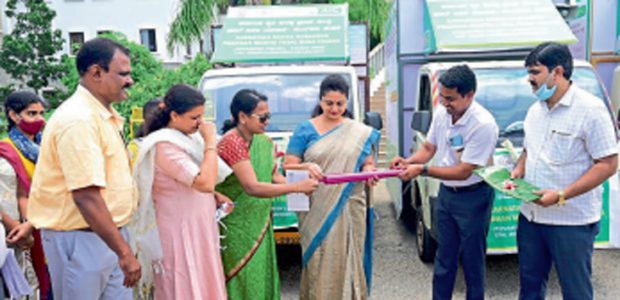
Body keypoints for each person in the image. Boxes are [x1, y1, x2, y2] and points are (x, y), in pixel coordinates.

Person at [11, 37, 141, 299]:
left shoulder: (100, 115)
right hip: (82, 240)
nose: (130, 81)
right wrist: (124, 252)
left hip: (108, 237)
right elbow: (86, 195)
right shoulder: (78, 119)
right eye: (123, 74)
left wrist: (121, 247)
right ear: (96, 73)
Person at [512, 42, 618, 300]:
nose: (530, 79)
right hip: (531, 217)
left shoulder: (590, 110)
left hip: (571, 222)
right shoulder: (535, 111)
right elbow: (529, 149)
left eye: (535, 72)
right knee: (530, 288)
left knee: (575, 291)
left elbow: (608, 163)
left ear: (557, 72)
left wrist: (561, 195)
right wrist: (517, 171)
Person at [391, 65, 499, 300]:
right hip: (447, 195)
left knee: (472, 261)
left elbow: (463, 171)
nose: (445, 103)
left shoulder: (483, 125)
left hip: (474, 197)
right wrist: (408, 161)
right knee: (444, 258)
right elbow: (429, 147)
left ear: (469, 95)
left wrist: (422, 170)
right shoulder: (443, 113)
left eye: (451, 99)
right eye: (442, 97)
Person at [283, 74, 380, 300]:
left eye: (340, 104)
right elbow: (289, 165)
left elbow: (367, 161)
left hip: (351, 203)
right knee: (320, 257)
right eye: (329, 103)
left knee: (350, 255)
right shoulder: (305, 130)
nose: (335, 109)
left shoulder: (358, 131)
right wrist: (307, 166)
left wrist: (368, 171)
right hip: (317, 205)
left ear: (347, 103)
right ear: (320, 101)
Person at [131, 84, 232, 300]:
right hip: (178, 230)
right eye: (194, 117)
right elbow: (205, 182)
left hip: (199, 226)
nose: (200, 123)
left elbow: (204, 182)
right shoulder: (165, 145)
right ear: (174, 115)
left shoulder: (186, 139)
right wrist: (210, 143)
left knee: (204, 280)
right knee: (184, 283)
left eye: (202, 116)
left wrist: (213, 196)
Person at [216, 89, 318, 300]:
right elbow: (252, 187)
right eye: (262, 117)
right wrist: (296, 188)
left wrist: (305, 180)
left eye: (268, 116)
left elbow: (272, 176)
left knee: (261, 277)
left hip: (260, 223)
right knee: (241, 279)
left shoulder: (264, 142)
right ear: (242, 117)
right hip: (236, 227)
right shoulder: (231, 143)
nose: (267, 122)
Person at [0, 90, 51, 299]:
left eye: (41, 114)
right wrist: (20, 229)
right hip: (18, 231)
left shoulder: (46, 148)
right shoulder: (6, 150)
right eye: (32, 114)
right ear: (13, 115)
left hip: (48, 224)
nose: (39, 119)